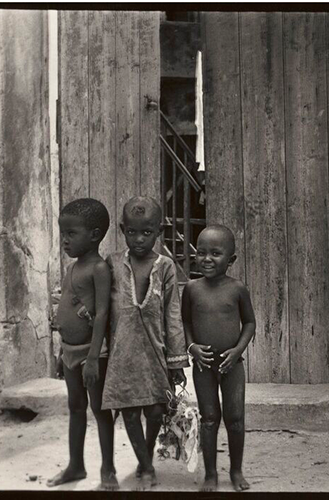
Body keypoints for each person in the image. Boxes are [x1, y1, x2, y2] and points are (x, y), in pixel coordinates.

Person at [101, 196, 189, 490]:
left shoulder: (165, 267)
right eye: (132, 232)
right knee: (129, 408)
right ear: (123, 230)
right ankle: (146, 465)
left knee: (155, 410)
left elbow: (173, 315)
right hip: (122, 351)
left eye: (147, 232)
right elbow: (100, 306)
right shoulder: (112, 263)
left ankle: (146, 454)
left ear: (159, 231)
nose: (139, 239)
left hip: (155, 350)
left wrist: (177, 360)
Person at [47, 198, 118, 490]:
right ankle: (76, 466)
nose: (64, 240)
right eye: (63, 233)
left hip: (91, 353)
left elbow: (102, 313)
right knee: (76, 407)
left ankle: (108, 471)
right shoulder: (73, 268)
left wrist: (92, 358)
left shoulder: (98, 268)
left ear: (95, 234)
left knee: (100, 411)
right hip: (69, 351)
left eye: (71, 233)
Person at [182, 225, 256, 492]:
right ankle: (211, 474)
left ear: (231, 260)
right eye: (201, 253)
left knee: (235, 418)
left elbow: (249, 323)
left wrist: (238, 350)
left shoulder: (237, 289)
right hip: (204, 366)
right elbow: (186, 322)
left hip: (232, 365)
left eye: (215, 253)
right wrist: (191, 347)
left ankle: (236, 471)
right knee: (209, 417)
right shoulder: (191, 288)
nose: (207, 259)